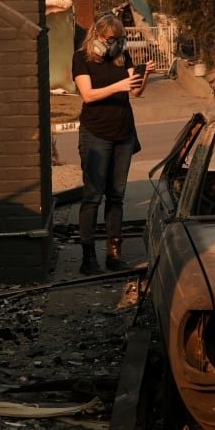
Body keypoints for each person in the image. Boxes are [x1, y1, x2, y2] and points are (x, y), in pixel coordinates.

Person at [72, 14, 155, 274]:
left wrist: (144, 75)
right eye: (111, 39)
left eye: (120, 39)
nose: (115, 44)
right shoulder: (81, 59)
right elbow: (88, 95)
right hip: (95, 132)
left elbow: (136, 92)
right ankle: (88, 258)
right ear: (96, 36)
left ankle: (113, 253)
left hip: (123, 133)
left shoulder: (122, 57)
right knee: (93, 196)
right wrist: (119, 84)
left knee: (116, 195)